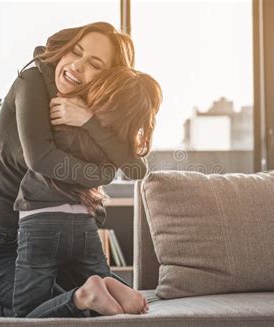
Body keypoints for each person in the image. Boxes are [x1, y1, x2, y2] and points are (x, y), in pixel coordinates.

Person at [0, 22, 154, 318]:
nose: (77, 66)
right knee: (59, 306)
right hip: (0, 243)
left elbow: (134, 168)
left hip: (57, 245)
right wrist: (102, 175)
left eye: (95, 64)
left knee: (100, 307)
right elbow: (40, 159)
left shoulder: (87, 106)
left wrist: (89, 120)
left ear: (106, 78)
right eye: (76, 51)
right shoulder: (32, 83)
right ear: (65, 48)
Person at [12, 66, 162, 318]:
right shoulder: (113, 138)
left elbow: (36, 154)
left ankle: (83, 296)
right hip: (83, 224)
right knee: (97, 287)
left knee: (25, 311)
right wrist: (91, 123)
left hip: (41, 219)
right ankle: (112, 287)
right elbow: (137, 169)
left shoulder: (66, 109)